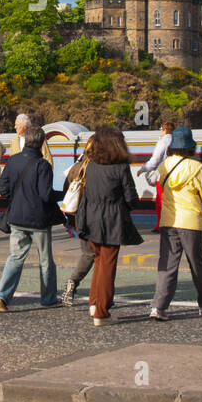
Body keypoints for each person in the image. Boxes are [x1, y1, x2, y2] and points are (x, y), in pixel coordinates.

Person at [74, 125, 142, 325]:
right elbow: (130, 197)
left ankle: (94, 303)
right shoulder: (121, 167)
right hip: (112, 219)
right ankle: (102, 311)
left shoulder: (92, 165)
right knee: (108, 264)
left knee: (99, 261)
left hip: (91, 218)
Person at [0, 125, 62, 311]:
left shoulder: (13, 161)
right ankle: (48, 297)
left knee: (15, 257)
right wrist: (63, 194)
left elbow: (4, 189)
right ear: (41, 143)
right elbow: (46, 195)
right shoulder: (43, 165)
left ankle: (2, 295)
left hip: (16, 217)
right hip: (39, 218)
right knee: (45, 260)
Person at [149, 127, 202, 320]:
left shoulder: (164, 166)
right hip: (191, 221)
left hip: (168, 221)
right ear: (190, 147)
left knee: (168, 263)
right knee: (197, 263)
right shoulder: (197, 168)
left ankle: (159, 307)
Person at [60, 135, 96, 306]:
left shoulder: (75, 168)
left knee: (88, 253)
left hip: (79, 218)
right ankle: (100, 295)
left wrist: (71, 220)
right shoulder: (99, 168)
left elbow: (66, 192)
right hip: (97, 218)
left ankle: (73, 282)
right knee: (104, 256)